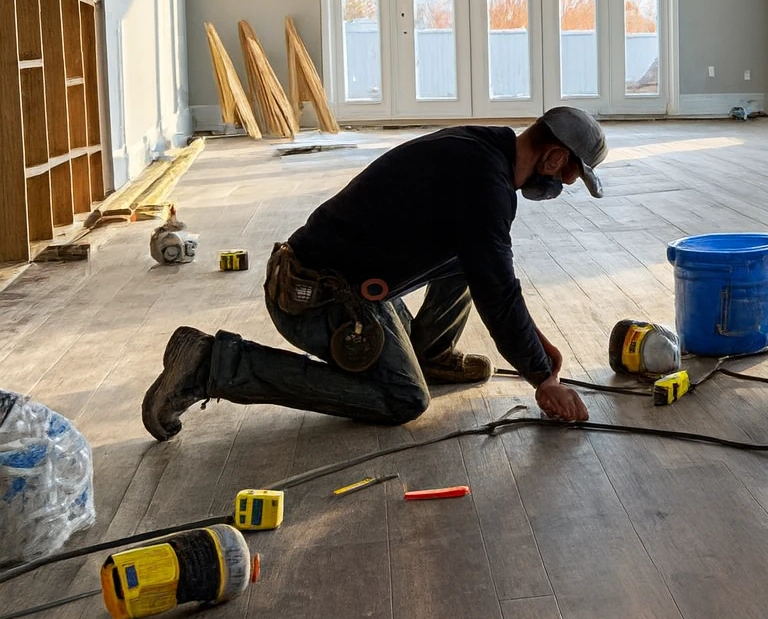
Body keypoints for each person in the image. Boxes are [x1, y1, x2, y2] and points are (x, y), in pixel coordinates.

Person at [141, 107, 604, 440]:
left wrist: (535, 347)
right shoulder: (486, 186)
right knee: (404, 399)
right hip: (318, 297)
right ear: (553, 158)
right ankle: (212, 364)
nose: (561, 186)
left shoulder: (486, 148)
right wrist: (542, 378)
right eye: (568, 177)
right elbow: (498, 293)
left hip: (338, 276)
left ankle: (430, 354)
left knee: (474, 258)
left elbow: (492, 274)